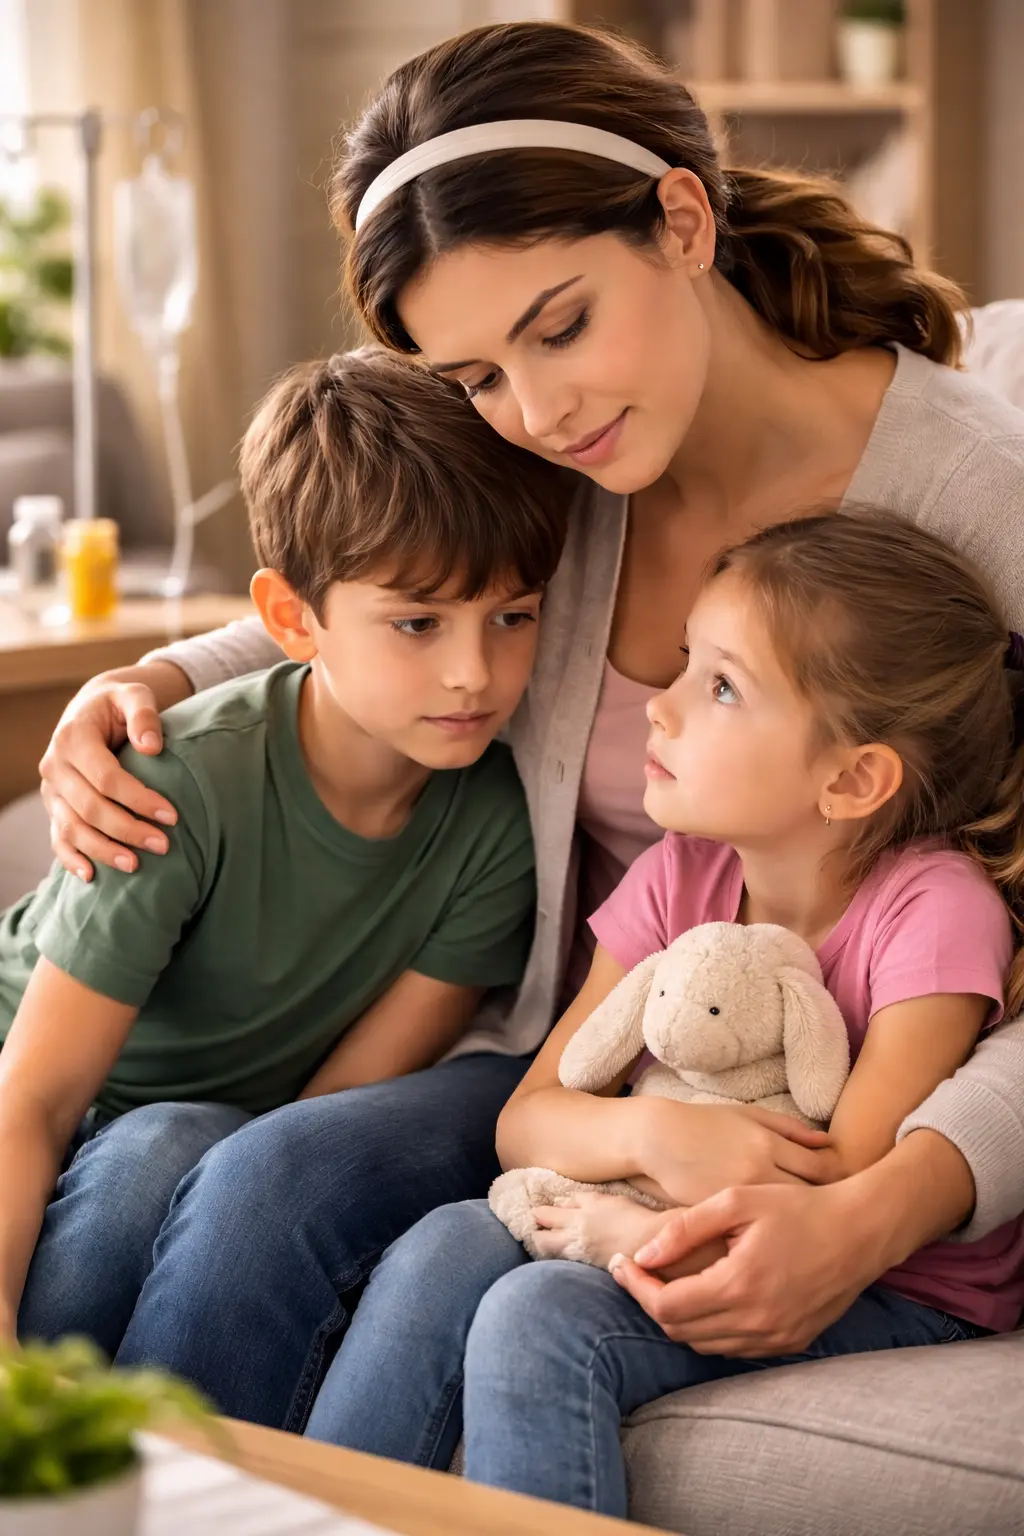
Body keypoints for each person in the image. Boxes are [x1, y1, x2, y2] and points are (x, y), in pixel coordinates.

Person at [34, 21, 1024, 1424]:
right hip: (572, 1052)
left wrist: (879, 1210)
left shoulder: (980, 496)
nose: (539, 411)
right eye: (478, 377)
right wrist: (153, 682)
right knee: (265, 1181)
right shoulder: (559, 460)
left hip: (847, 1118)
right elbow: (375, 585)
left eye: (560, 326)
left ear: (683, 220)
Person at [304, 513, 1024, 1518]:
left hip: (889, 1289)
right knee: (440, 1249)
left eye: (720, 686)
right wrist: (650, 1134)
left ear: (852, 778)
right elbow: (529, 1117)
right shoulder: (677, 875)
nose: (660, 706)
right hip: (658, 1203)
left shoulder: (933, 910)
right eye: (685, 664)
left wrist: (619, 1231)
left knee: (543, 1316)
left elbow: (833, 1180)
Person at [1, 346, 569, 1352]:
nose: (474, 674)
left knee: (176, 1143)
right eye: (418, 623)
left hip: (200, 1122)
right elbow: (34, 1096)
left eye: (512, 616)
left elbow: (318, 1121)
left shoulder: (498, 828)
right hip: (31, 1085)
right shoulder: (179, 783)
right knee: (152, 1151)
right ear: (290, 620)